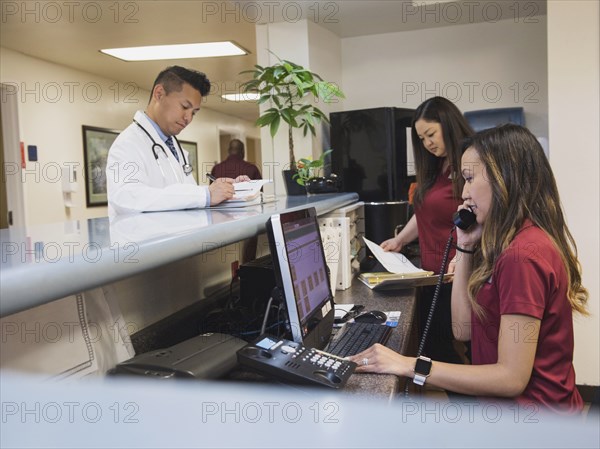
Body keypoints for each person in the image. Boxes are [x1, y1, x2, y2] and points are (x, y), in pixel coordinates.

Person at [351, 124, 588, 413]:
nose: (463, 192)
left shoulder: (522, 256)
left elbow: (511, 378)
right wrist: (464, 247)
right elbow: (462, 329)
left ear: (506, 179)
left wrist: (408, 364)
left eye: (469, 178)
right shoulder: (504, 243)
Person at [380, 96, 474, 364]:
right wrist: (400, 240)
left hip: (458, 275)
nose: (428, 143)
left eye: (431, 134)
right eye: (421, 139)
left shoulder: (470, 164)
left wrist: (462, 256)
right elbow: (426, 213)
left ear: (449, 124)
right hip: (433, 274)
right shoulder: (436, 167)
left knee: (453, 350)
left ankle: (472, 406)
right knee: (436, 348)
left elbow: (485, 218)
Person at [106, 66, 247, 215]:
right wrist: (205, 195)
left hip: (176, 235)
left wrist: (227, 191)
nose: (188, 118)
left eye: (194, 112)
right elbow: (128, 198)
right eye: (185, 107)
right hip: (142, 237)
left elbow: (185, 195)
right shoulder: (128, 143)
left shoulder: (173, 146)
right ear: (159, 94)